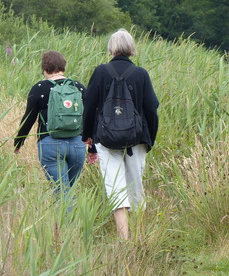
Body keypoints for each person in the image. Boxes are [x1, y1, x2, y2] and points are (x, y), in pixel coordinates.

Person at [81, 29, 159, 240]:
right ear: (131, 48)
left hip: (105, 139)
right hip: (137, 139)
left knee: (114, 187)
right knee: (136, 188)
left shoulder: (101, 72)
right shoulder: (141, 74)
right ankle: (141, 237)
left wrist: (87, 136)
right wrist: (149, 137)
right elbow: (152, 107)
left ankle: (124, 241)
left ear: (111, 48)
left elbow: (89, 104)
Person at [14, 50, 95, 208]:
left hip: (50, 144)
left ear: (44, 69)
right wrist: (93, 144)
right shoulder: (78, 87)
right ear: (63, 67)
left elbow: (28, 119)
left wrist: (18, 143)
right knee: (68, 191)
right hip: (77, 145)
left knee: (62, 193)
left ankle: (68, 229)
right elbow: (89, 116)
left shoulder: (39, 88)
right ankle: (73, 224)